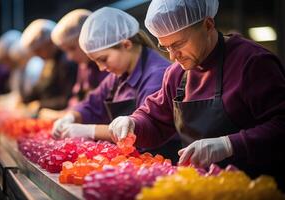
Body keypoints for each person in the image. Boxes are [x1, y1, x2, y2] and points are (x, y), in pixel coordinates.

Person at [109, 0, 285, 188]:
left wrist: (229, 145)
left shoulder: (253, 62)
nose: (173, 56)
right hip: (201, 188)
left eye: (178, 44)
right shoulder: (177, 73)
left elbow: (281, 125)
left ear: (208, 25)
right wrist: (133, 123)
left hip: (254, 189)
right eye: (165, 47)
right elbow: (155, 119)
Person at [51, 7, 171, 147]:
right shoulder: (118, 76)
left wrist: (89, 131)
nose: (102, 68)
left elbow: (141, 130)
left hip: (158, 159)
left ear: (126, 44)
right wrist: (71, 116)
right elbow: (92, 103)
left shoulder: (157, 74)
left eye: (103, 59)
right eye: (96, 62)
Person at [39, 9, 108, 120]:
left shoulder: (107, 66)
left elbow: (98, 107)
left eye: (72, 48)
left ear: (89, 38)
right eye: (66, 51)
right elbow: (78, 99)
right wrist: (67, 113)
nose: (69, 57)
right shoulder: (83, 65)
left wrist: (61, 115)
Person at [20, 19, 78, 111]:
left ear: (50, 42)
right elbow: (40, 88)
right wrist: (24, 99)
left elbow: (66, 99)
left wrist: (41, 105)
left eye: (38, 50)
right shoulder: (49, 61)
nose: (36, 55)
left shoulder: (66, 62)